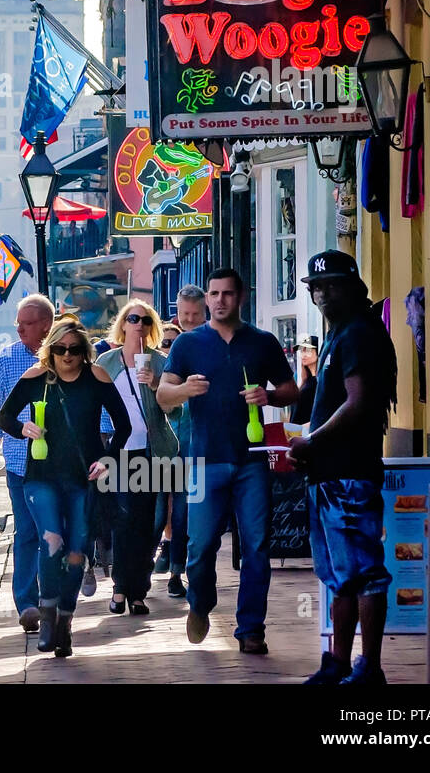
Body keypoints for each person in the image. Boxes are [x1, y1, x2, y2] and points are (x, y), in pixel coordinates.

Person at [157, 268, 298, 654]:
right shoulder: (188, 345)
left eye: (227, 294)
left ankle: (251, 628)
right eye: (214, 294)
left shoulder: (262, 343)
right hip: (204, 461)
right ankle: (200, 603)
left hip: (251, 461)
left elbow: (291, 389)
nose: (220, 300)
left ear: (242, 296)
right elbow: (163, 396)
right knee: (199, 545)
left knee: (257, 546)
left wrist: (268, 397)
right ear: (206, 298)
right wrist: (184, 389)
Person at [289, 251, 397, 686]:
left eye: (332, 285)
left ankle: (368, 666)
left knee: (365, 574)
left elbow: (359, 402)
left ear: (353, 287)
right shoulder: (336, 335)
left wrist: (312, 440)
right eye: (317, 287)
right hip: (329, 473)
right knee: (339, 577)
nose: (322, 294)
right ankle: (337, 661)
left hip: (350, 472)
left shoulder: (357, 334)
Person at [0, 319, 131, 656]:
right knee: (51, 541)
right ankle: (47, 616)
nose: (67, 355)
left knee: (75, 554)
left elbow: (124, 426)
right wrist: (23, 427)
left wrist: (108, 459)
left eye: (74, 349)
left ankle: (66, 621)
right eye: (60, 349)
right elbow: (3, 418)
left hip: (83, 478)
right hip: (40, 476)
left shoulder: (96, 377)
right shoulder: (36, 377)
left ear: (84, 351)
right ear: (51, 349)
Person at [95, 300, 180, 616]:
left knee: (148, 524)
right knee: (123, 519)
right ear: (123, 324)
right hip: (120, 450)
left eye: (146, 320)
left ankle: (138, 591)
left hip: (152, 449)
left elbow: (174, 408)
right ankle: (120, 588)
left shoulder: (160, 362)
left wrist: (156, 384)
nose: (139, 325)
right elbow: (95, 407)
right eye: (133, 319)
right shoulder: (106, 362)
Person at [0, 294, 55, 633]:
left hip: (59, 463)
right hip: (19, 462)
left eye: (26, 323)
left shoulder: (64, 355)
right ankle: (27, 602)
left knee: (53, 533)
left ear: (45, 325)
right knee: (26, 532)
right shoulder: (7, 358)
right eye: (18, 323)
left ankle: (52, 598)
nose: (19, 329)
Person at [153, 285, 209, 592]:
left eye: (195, 315)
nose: (189, 320)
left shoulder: (209, 345)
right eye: (184, 314)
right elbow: (162, 401)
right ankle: (142, 571)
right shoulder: (173, 349)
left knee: (185, 512)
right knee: (159, 511)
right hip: (166, 441)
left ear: (204, 313)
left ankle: (176, 574)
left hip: (195, 442)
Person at [287, 335, 320, 430]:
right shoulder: (306, 381)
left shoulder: (319, 382)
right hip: (297, 435)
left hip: (308, 435)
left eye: (308, 350)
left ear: (317, 352)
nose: (303, 355)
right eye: (302, 351)